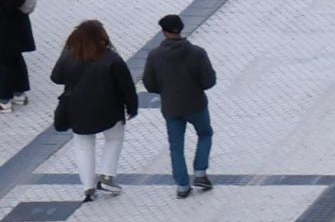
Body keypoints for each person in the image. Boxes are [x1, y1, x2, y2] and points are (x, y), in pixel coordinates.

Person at [49, 20, 134, 202]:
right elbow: (126, 86)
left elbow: (56, 78)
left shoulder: (70, 56)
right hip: (109, 109)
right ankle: (107, 176)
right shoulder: (111, 58)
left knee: (83, 145)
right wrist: (132, 106)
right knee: (114, 138)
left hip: (77, 109)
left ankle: (88, 187)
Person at [141, 12, 214, 201]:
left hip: (171, 107)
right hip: (196, 104)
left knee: (176, 146)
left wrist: (166, 90)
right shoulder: (197, 53)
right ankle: (200, 173)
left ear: (163, 32)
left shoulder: (155, 55)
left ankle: (182, 186)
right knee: (205, 134)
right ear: (181, 29)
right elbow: (209, 81)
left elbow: (149, 84)